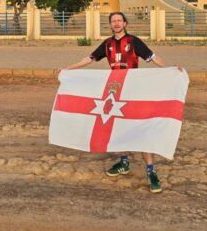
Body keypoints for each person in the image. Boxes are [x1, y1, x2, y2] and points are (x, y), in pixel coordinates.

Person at [61, 11, 179, 194]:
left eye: (119, 20)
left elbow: (153, 57)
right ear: (110, 25)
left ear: (124, 23)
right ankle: (124, 163)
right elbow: (89, 59)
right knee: (119, 127)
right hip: (116, 92)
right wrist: (68, 68)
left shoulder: (134, 42)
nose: (116, 23)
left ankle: (151, 171)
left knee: (142, 128)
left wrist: (170, 69)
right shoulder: (107, 44)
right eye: (113, 21)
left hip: (134, 91)